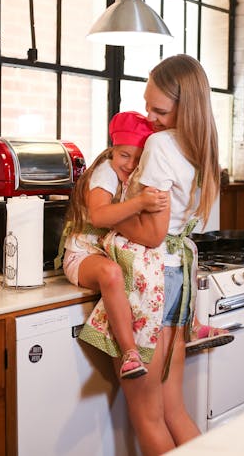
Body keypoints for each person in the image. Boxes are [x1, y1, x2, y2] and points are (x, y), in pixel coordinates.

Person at [107, 54, 222, 454]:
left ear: (185, 107)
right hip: (177, 280)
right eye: (147, 106)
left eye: (160, 110)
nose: (150, 118)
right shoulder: (203, 147)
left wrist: (106, 219)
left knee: (147, 415)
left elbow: (153, 235)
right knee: (174, 410)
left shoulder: (159, 145)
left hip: (151, 281)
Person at [62, 111, 169, 379]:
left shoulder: (132, 177)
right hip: (82, 257)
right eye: (124, 155)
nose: (130, 164)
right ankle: (130, 353)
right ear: (112, 151)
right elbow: (99, 215)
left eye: (137, 158)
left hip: (105, 252)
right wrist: (141, 203)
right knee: (112, 273)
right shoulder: (104, 173)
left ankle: (187, 326)